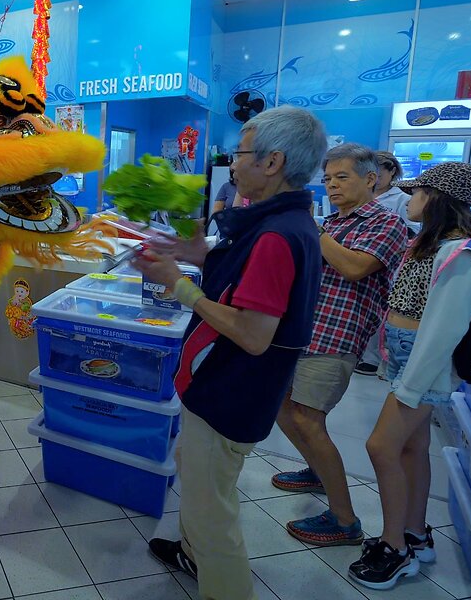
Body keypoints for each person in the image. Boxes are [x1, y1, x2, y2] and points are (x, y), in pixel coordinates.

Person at [140, 107, 326, 600]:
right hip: (228, 389)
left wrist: (177, 285)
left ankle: (219, 578)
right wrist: (190, 252)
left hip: (230, 392)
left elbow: (252, 333)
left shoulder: (275, 236)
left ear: (273, 162)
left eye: (239, 153)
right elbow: (241, 277)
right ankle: (189, 553)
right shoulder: (284, 223)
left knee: (212, 513)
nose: (231, 163)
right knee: (200, 480)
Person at [350, 163, 471, 591]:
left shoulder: (462, 255)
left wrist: (411, 386)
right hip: (410, 358)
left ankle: (394, 548)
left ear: (438, 198)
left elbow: (442, 332)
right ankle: (416, 534)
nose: (409, 199)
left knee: (381, 446)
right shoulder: (431, 243)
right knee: (410, 448)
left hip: (426, 367)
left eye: (417, 192)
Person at [271, 143, 407, 547]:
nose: (331, 185)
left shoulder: (385, 223)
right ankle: (315, 469)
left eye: (341, 177)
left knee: (309, 420)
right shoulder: (333, 222)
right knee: (281, 408)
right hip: (301, 331)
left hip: (337, 336)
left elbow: (353, 267)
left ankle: (345, 520)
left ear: (370, 179)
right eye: (327, 178)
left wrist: (314, 230)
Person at [355, 150, 419, 376]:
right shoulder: (363, 195)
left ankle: (374, 359)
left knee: (383, 308)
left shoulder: (401, 199)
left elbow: (413, 230)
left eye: (380, 172)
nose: (375, 178)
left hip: (390, 262)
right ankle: (362, 353)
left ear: (392, 172)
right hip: (361, 257)